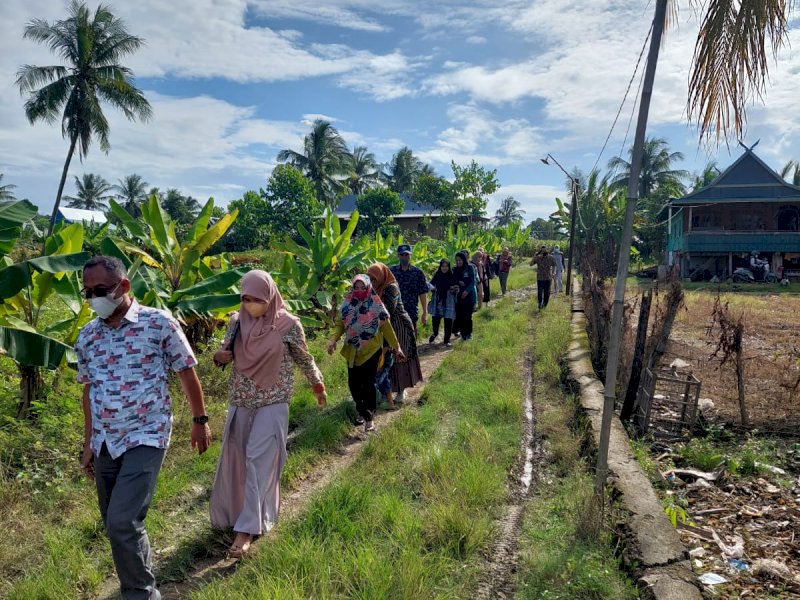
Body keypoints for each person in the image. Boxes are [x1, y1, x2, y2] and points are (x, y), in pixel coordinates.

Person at [76, 256, 212, 600]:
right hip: (106, 439)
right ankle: (143, 580)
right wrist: (89, 441)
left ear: (123, 287)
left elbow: (186, 372)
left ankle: (141, 594)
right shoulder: (88, 335)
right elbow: (89, 389)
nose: (93, 298)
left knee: (122, 522)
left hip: (146, 434)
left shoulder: (157, 323)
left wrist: (199, 420)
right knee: (116, 523)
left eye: (100, 290)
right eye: (87, 292)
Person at [210, 270, 327, 558]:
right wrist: (219, 357)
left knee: (258, 460)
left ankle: (246, 529)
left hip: (273, 400)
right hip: (241, 400)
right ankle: (238, 512)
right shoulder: (237, 322)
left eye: (257, 299)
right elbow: (225, 353)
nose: (251, 304)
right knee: (237, 459)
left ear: (270, 296)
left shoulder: (289, 324)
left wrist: (317, 383)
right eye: (245, 298)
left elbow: (303, 356)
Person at [328, 275, 405, 432]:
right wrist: (333, 340)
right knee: (354, 385)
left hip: (371, 350)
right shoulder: (348, 302)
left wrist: (397, 347)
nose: (359, 290)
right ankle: (361, 411)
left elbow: (386, 327)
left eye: (362, 287)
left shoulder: (376, 304)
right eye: (356, 287)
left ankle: (369, 417)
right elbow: (341, 324)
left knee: (368, 383)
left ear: (368, 287)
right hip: (352, 350)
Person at [366, 263, 423, 408]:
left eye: (373, 279)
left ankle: (400, 391)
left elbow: (387, 311)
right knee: (384, 360)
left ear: (381, 276)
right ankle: (386, 391)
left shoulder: (391, 288)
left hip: (397, 326)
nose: (371, 282)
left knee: (399, 358)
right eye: (369, 279)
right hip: (382, 326)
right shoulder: (372, 288)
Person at [390, 244, 428, 332]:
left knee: (411, 337)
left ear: (410, 255)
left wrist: (425, 312)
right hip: (395, 310)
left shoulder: (418, 273)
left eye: (406, 254)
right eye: (402, 255)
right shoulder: (392, 272)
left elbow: (422, 293)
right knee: (397, 337)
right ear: (398, 255)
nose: (404, 257)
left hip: (411, 310)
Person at [427, 258, 458, 346]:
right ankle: (435, 334)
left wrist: (454, 289)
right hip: (438, 301)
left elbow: (457, 287)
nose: (444, 268)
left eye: (446, 266)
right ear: (440, 267)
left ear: (449, 267)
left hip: (449, 300)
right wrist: (433, 288)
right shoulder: (437, 275)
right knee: (435, 320)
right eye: (442, 266)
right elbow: (430, 284)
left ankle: (447, 340)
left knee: (448, 320)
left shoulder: (452, 275)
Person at [453, 251, 477, 340]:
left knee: (468, 316)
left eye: (460, 260)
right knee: (460, 316)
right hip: (458, 296)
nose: (458, 262)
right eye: (457, 260)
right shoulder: (455, 269)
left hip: (469, 296)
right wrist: (458, 283)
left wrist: (466, 291)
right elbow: (453, 280)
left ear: (463, 260)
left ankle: (469, 333)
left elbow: (473, 281)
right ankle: (463, 335)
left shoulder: (470, 267)